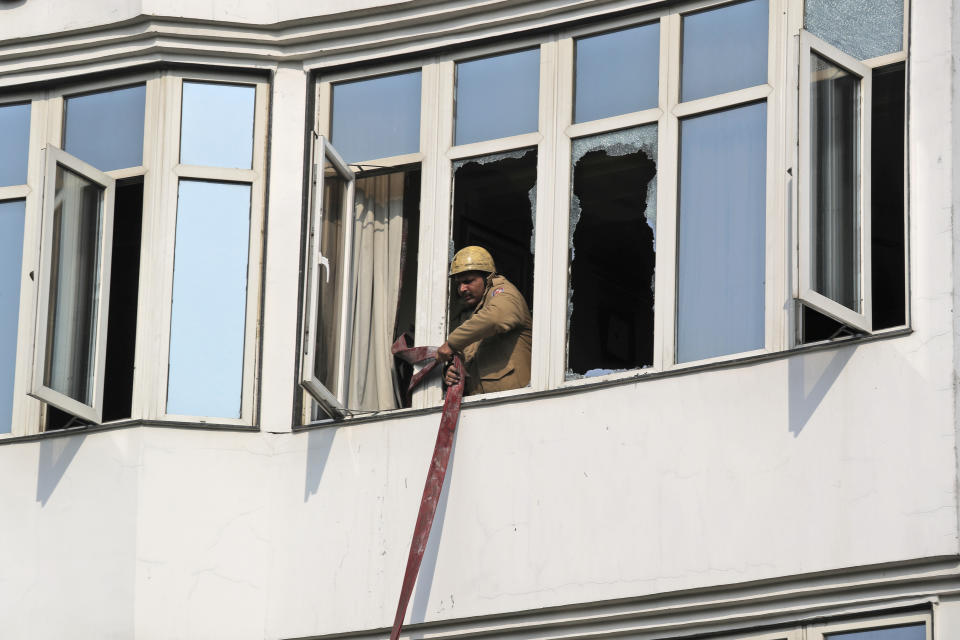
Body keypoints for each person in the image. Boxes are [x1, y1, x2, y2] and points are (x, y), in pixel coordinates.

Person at [436, 246, 532, 396]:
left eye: (468, 281)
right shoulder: (478, 314)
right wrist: (450, 370)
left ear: (488, 277)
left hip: (516, 402)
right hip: (483, 406)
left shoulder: (504, 292)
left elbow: (496, 318)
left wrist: (451, 343)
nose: (462, 289)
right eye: (459, 283)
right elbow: (467, 356)